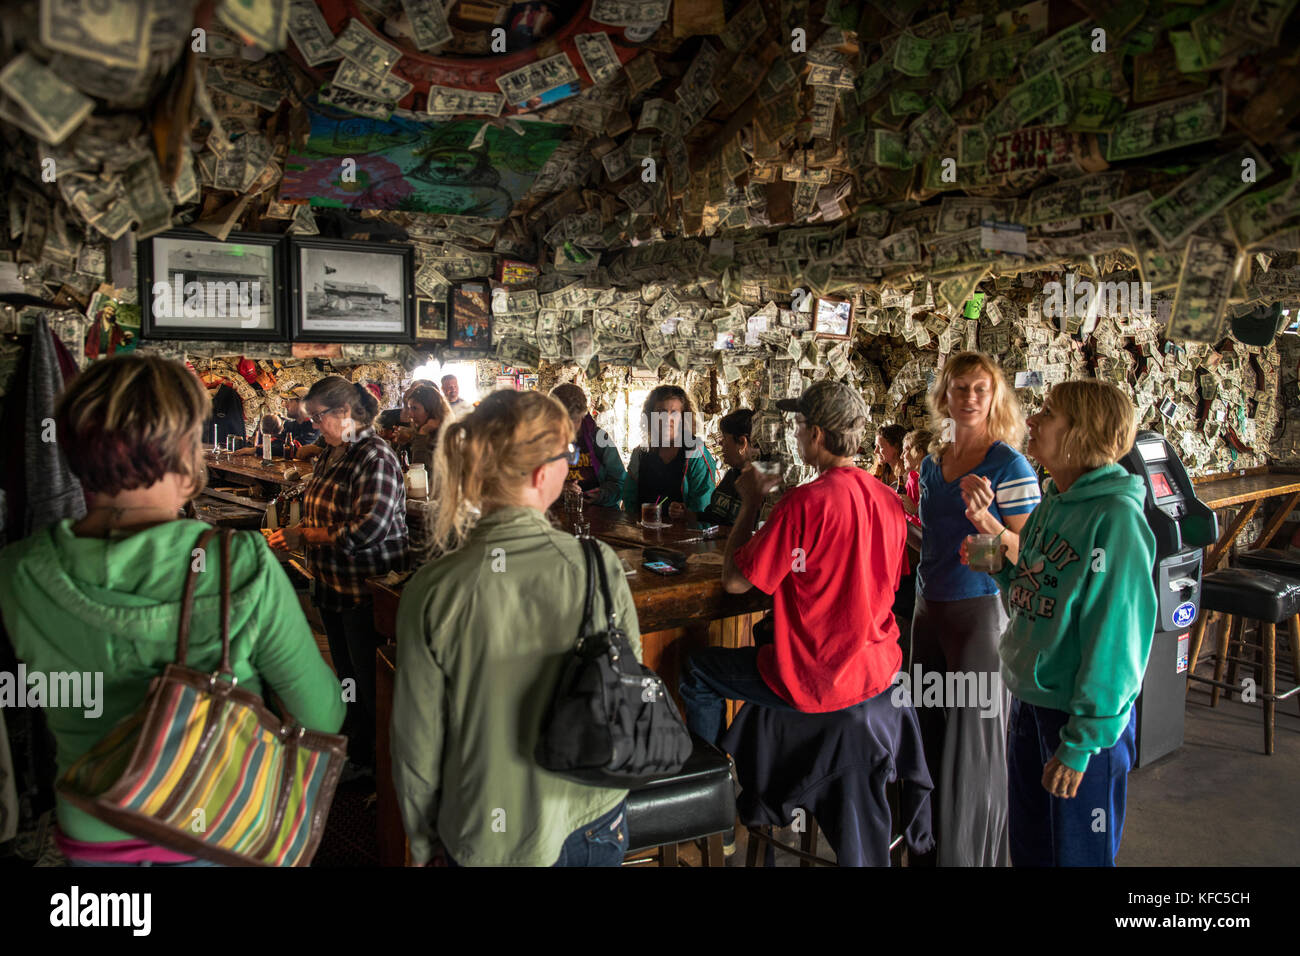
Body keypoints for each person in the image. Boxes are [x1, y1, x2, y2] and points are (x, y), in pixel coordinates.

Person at [0, 355, 343, 866]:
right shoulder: (239, 563)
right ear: (187, 454)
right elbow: (322, 711)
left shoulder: (18, 569)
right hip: (219, 819)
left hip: (98, 826)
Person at [392, 390, 641, 866]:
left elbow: (415, 742)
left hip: (486, 830)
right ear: (542, 473)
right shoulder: (597, 567)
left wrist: (422, 843)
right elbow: (629, 686)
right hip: (591, 815)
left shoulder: (432, 589)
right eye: (568, 455)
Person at [963, 380, 1156, 867]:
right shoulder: (1055, 499)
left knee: (1076, 856)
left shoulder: (1115, 519)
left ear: (1081, 434)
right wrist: (999, 566)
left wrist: (1082, 741)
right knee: (1031, 848)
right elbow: (1036, 592)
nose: (1033, 421)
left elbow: (1118, 642)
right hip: (1031, 702)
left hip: (1078, 719)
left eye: (1048, 414)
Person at [679, 381, 907, 746]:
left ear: (816, 434)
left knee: (697, 671)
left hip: (816, 675)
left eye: (798, 426)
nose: (795, 435)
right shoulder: (888, 500)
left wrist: (752, 502)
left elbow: (735, 582)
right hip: (878, 665)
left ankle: (710, 786)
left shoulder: (805, 503)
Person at [912, 351, 1041, 867]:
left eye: (979, 389)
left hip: (979, 615)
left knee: (974, 746)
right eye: (959, 388)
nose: (968, 398)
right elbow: (937, 543)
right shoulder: (930, 463)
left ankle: (970, 857)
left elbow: (1029, 556)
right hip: (926, 612)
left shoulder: (1008, 464)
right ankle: (925, 845)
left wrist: (986, 522)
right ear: (943, 395)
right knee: (923, 730)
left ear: (994, 397)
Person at [267, 376, 408, 775]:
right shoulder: (334, 451)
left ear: (345, 412)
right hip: (332, 584)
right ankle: (358, 753)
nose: (314, 424)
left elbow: (368, 530)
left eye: (319, 416)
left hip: (364, 589)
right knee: (346, 678)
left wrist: (303, 535)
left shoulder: (374, 456)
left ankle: (380, 767)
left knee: (368, 681)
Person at [622, 384, 718, 520]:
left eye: (674, 413)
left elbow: (702, 507)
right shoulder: (640, 453)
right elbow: (629, 499)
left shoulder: (695, 453)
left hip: (684, 535)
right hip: (643, 532)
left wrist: (685, 514)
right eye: (660, 412)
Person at [549, 382, 625, 507]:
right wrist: (557, 490)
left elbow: (620, 482)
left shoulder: (599, 439)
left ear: (583, 416)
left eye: (574, 420)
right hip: (559, 513)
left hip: (600, 514)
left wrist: (602, 495)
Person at [701, 408, 763, 528]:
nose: (720, 444)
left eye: (724, 438)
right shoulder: (731, 475)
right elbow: (711, 517)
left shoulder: (762, 486)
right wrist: (687, 514)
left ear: (742, 442)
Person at [397, 383, 453, 478]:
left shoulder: (446, 436)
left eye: (415, 408)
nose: (410, 414)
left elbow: (420, 474)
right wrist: (402, 445)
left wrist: (422, 434)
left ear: (430, 410)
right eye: (410, 408)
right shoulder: (416, 431)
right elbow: (401, 468)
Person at [873, 423, 907, 492]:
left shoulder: (908, 477)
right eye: (875, 446)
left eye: (880, 447)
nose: (875, 451)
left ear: (896, 447)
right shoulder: (881, 472)